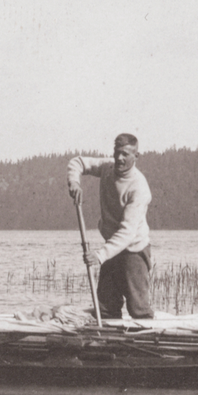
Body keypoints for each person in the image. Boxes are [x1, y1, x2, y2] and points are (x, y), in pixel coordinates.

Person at [66, 133, 154, 320]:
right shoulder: (107, 168)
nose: (119, 158)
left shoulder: (139, 188)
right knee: (106, 308)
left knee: (139, 310)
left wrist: (99, 256)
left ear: (135, 156)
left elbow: (127, 233)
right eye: (116, 153)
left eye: (125, 154)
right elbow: (78, 162)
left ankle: (148, 340)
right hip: (112, 247)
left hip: (134, 250)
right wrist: (74, 182)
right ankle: (108, 343)